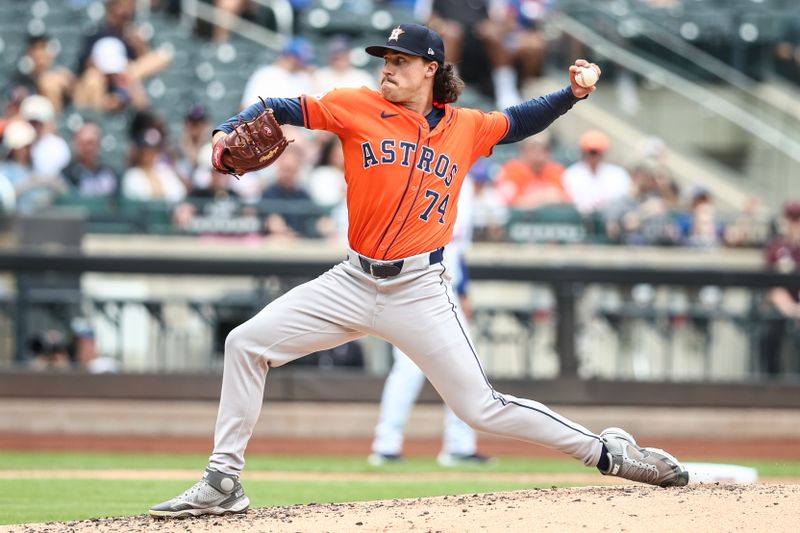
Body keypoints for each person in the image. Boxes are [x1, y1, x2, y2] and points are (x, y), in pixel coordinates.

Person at [149, 23, 688, 518]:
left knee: (481, 409)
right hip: (351, 280)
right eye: (384, 58)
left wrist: (573, 94)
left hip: (419, 290)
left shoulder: (467, 127)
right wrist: (229, 128)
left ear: (430, 68)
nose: (387, 67)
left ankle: (607, 452)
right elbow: (282, 106)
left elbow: (521, 120)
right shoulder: (354, 105)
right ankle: (223, 481)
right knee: (245, 343)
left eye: (400, 60)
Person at [369, 171, 491, 467]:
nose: (480, 185)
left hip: (444, 288)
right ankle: (389, 444)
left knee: (462, 365)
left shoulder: (466, 194)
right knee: (412, 368)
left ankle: (454, 444)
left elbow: (459, 252)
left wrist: (463, 291)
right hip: (415, 285)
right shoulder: (423, 178)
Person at [759, 201, 800, 376]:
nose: (795, 224)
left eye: (798, 219)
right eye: (792, 219)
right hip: (781, 310)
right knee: (771, 333)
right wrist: (793, 310)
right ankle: (771, 384)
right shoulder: (776, 248)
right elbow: (772, 288)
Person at [561, 130, 632, 215]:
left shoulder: (618, 174)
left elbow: (623, 202)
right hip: (582, 220)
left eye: (598, 152)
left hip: (610, 220)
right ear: (583, 152)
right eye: (591, 152)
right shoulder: (571, 174)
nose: (594, 156)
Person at [494, 131, 570, 209]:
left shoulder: (556, 171)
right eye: (534, 148)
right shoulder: (512, 170)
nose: (540, 153)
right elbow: (508, 204)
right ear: (523, 150)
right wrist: (543, 197)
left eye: (545, 149)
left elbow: (568, 201)